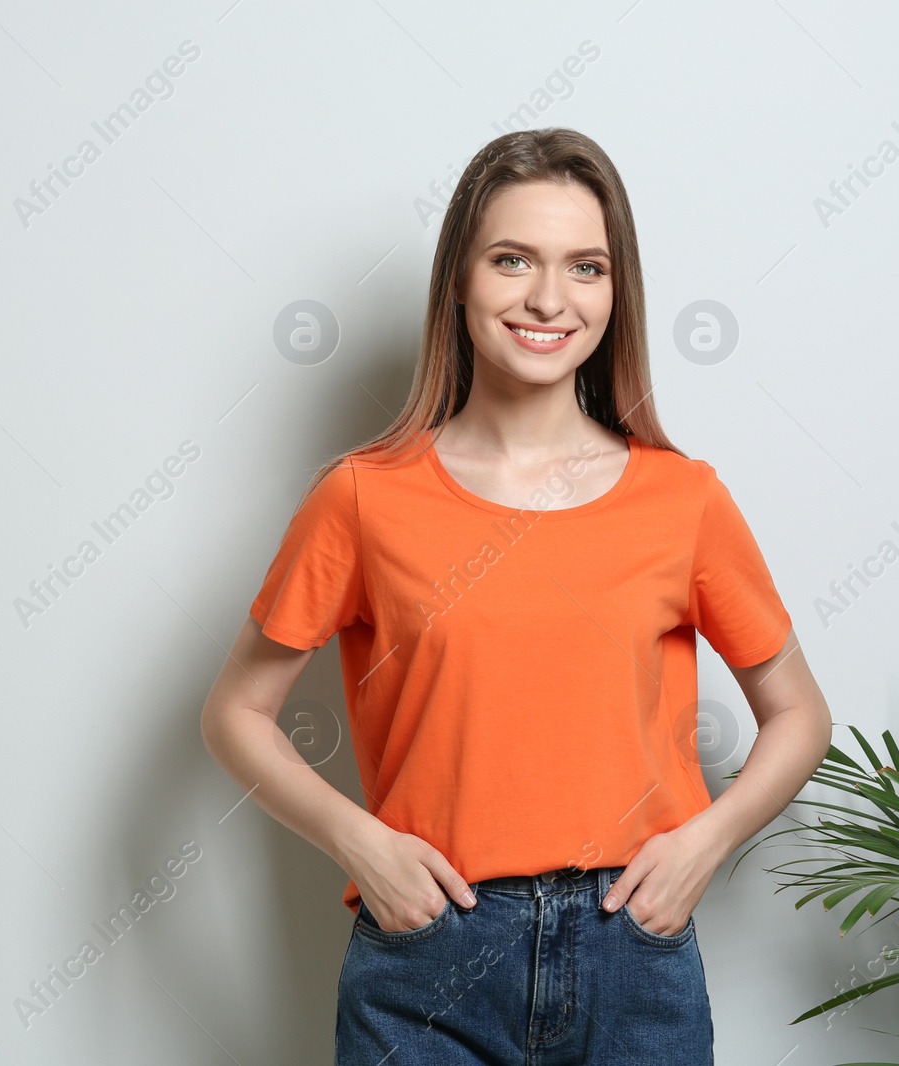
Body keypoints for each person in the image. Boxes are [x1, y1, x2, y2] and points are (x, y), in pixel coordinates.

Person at [200, 127, 833, 1065]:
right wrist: (358, 843)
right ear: (458, 281)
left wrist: (706, 843)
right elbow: (235, 712)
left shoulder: (682, 499)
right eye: (512, 260)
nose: (548, 298)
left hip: (636, 955)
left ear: (616, 296)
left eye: (585, 266)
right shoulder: (364, 497)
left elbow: (801, 717)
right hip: (428, 951)